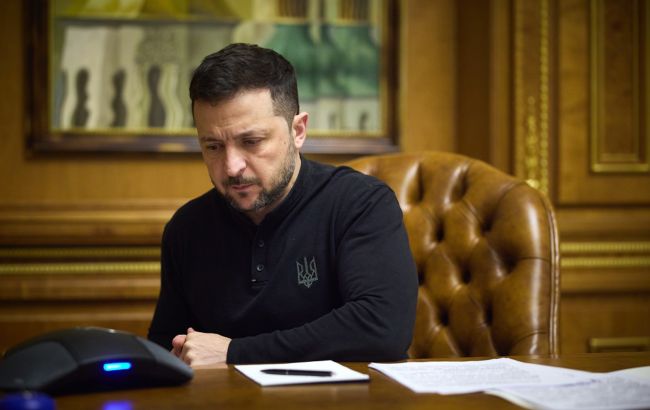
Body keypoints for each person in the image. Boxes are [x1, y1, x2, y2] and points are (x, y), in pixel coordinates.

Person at [148, 43, 418, 366]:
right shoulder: (187, 228)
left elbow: (383, 329)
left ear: (298, 130)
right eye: (213, 146)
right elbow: (166, 351)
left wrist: (235, 352)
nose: (232, 167)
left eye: (251, 142)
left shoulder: (360, 204)